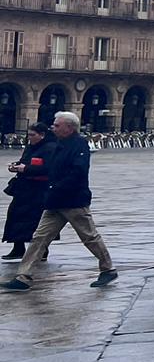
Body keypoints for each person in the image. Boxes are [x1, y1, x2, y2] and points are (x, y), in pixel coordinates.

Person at [3, 111, 117, 290]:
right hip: (55, 201)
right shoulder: (58, 144)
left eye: (57, 125)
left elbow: (78, 172)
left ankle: (108, 269)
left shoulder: (79, 145)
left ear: (69, 128)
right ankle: (23, 277)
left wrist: (56, 186)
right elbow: (49, 168)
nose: (53, 127)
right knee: (39, 238)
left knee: (89, 237)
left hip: (73, 200)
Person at [4, 123, 53, 260]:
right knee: (15, 216)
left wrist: (25, 169)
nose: (29, 138)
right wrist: (16, 166)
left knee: (36, 221)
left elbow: (48, 168)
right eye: (28, 135)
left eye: (33, 135)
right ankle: (18, 248)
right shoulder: (30, 147)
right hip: (24, 188)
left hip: (39, 190)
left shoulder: (49, 148)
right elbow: (24, 161)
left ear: (42, 135)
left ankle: (42, 250)